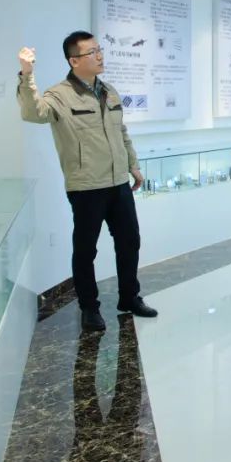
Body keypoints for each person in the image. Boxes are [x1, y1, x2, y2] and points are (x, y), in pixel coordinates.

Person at [17, 32, 157, 332]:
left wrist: (133, 165)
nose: (100, 55)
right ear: (74, 61)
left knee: (130, 241)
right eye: (92, 52)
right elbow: (33, 112)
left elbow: (121, 132)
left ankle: (129, 297)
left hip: (118, 183)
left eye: (99, 49)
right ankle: (89, 308)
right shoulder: (60, 95)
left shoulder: (109, 92)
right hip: (86, 187)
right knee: (85, 251)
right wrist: (27, 75)